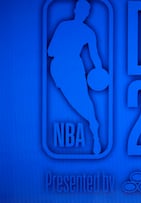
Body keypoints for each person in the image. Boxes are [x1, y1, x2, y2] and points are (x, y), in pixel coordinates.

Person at [48, 0, 103, 154]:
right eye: (81, 9)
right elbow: (50, 51)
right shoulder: (64, 26)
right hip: (60, 68)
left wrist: (99, 70)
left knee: (83, 100)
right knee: (76, 100)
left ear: (87, 13)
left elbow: (95, 56)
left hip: (74, 67)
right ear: (76, 10)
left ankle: (94, 129)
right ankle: (93, 124)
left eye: (86, 11)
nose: (83, 13)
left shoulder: (88, 32)